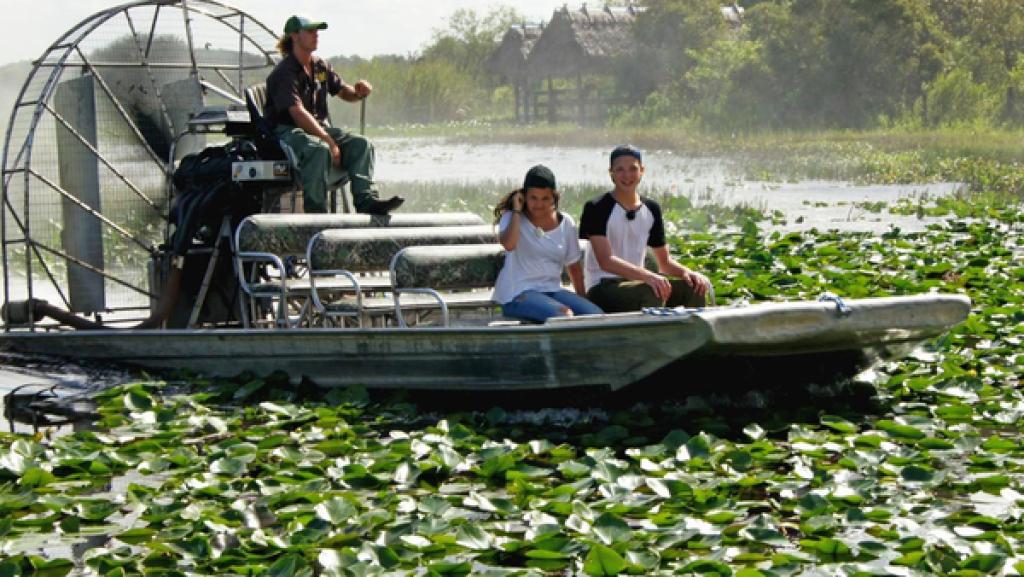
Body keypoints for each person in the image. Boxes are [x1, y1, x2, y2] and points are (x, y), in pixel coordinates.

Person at [264, 15, 403, 215]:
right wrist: (328, 141)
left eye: (317, 31)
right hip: (288, 131)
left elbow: (342, 91)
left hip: (318, 129)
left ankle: (366, 202)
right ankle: (317, 215)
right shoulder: (284, 74)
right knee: (318, 150)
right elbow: (298, 113)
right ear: (295, 36)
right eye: (310, 31)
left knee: (361, 145)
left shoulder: (320, 66)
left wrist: (358, 92)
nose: (316, 35)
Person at [579, 145, 711, 312]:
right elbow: (606, 261)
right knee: (651, 291)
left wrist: (687, 273)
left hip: (638, 283)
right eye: (620, 169)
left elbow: (664, 263)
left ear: (642, 170)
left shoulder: (652, 209)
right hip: (602, 286)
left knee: (693, 288)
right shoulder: (596, 207)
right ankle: (649, 335)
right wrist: (649, 276)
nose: (627, 175)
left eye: (632, 169)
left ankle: (689, 335)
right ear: (611, 172)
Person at [492, 165, 603, 323]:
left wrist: (584, 303)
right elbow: (509, 245)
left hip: (551, 290)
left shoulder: (566, 222)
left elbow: (574, 269)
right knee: (564, 315)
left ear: (555, 197)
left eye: (545, 198)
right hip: (517, 293)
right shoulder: (511, 217)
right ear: (523, 197)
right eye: (533, 198)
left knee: (596, 315)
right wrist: (517, 209)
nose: (539, 204)